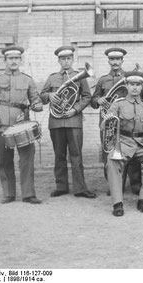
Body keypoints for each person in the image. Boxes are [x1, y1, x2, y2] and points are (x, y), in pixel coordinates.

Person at [0, 46, 43, 204]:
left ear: (21, 60)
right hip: (1, 124)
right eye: (11, 59)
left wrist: (37, 105)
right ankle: (9, 193)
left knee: (27, 159)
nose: (14, 61)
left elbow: (35, 98)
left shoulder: (28, 80)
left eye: (17, 58)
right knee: (5, 159)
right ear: (5, 60)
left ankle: (28, 194)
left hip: (23, 124)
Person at [103, 71, 143, 216]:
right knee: (112, 161)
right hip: (123, 143)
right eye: (132, 85)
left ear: (142, 87)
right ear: (127, 86)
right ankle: (117, 202)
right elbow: (105, 127)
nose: (135, 88)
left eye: (138, 85)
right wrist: (108, 120)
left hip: (141, 145)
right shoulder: (118, 105)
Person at [40, 46, 96, 199]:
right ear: (59, 60)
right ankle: (61, 187)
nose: (66, 61)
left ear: (72, 59)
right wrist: (50, 95)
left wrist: (75, 109)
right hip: (56, 122)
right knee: (59, 155)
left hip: (73, 121)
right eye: (63, 59)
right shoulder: (52, 78)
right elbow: (42, 96)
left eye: (68, 58)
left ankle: (80, 188)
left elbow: (86, 97)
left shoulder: (80, 76)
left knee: (76, 155)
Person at [90, 47, 140, 194]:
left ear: (122, 61)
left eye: (118, 59)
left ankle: (135, 183)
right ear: (108, 61)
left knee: (132, 149)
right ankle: (113, 184)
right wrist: (98, 99)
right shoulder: (103, 79)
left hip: (126, 119)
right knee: (109, 151)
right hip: (108, 120)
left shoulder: (129, 78)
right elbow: (93, 100)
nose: (115, 62)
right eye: (112, 59)